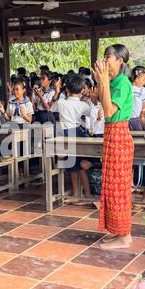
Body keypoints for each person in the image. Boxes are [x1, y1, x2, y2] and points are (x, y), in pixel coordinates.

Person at [91, 44, 134, 250]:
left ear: (120, 61)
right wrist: (101, 83)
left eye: (109, 57)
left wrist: (103, 83)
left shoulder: (122, 83)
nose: (105, 60)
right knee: (112, 186)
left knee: (118, 188)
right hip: (111, 135)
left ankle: (124, 236)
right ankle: (119, 232)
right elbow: (102, 101)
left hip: (118, 135)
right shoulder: (115, 81)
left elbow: (108, 111)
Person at [52, 73, 94, 205]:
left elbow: (51, 107)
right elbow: (91, 113)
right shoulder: (83, 105)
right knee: (78, 166)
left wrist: (57, 91)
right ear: (82, 89)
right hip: (78, 133)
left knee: (72, 167)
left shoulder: (61, 103)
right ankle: (85, 195)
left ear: (67, 89)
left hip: (65, 134)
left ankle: (79, 194)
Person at [130, 66, 145, 131]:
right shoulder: (128, 87)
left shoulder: (143, 90)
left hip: (138, 118)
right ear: (136, 79)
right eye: (144, 79)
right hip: (126, 119)